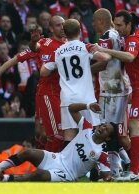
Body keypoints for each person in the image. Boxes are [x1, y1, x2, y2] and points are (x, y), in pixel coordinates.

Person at [91, 10, 139, 181]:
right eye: (115, 25)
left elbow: (130, 57)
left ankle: (134, 171)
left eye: (120, 25)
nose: (117, 29)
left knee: (134, 125)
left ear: (129, 24)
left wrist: (109, 51)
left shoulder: (133, 39)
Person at [0, 102, 116, 182]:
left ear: (108, 138)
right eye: (104, 125)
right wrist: (87, 105)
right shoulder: (87, 128)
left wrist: (109, 178)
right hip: (58, 158)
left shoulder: (101, 154)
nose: (102, 128)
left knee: (39, 174)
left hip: (67, 174)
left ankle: (3, 179)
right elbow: (72, 109)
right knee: (28, 153)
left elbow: (106, 177)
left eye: (106, 130)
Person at [0, 15, 66, 152]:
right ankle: (53, 167)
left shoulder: (70, 44)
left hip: (66, 94)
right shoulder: (43, 43)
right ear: (51, 28)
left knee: (45, 134)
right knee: (53, 133)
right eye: (58, 25)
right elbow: (16, 58)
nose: (62, 28)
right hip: (47, 94)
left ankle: (43, 163)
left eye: (63, 24)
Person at [40, 19, 111, 147]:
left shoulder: (58, 51)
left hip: (67, 98)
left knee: (69, 136)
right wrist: (87, 69)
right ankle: (97, 165)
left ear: (64, 33)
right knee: (93, 133)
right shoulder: (85, 47)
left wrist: (59, 67)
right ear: (79, 31)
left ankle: (70, 166)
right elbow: (105, 58)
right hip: (86, 98)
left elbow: (43, 72)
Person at [91, 8, 131, 178]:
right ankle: (127, 163)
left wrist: (85, 72)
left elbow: (104, 62)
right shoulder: (118, 35)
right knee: (115, 130)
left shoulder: (106, 37)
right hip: (119, 87)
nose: (93, 25)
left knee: (107, 132)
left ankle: (115, 171)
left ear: (100, 21)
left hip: (111, 90)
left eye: (94, 21)